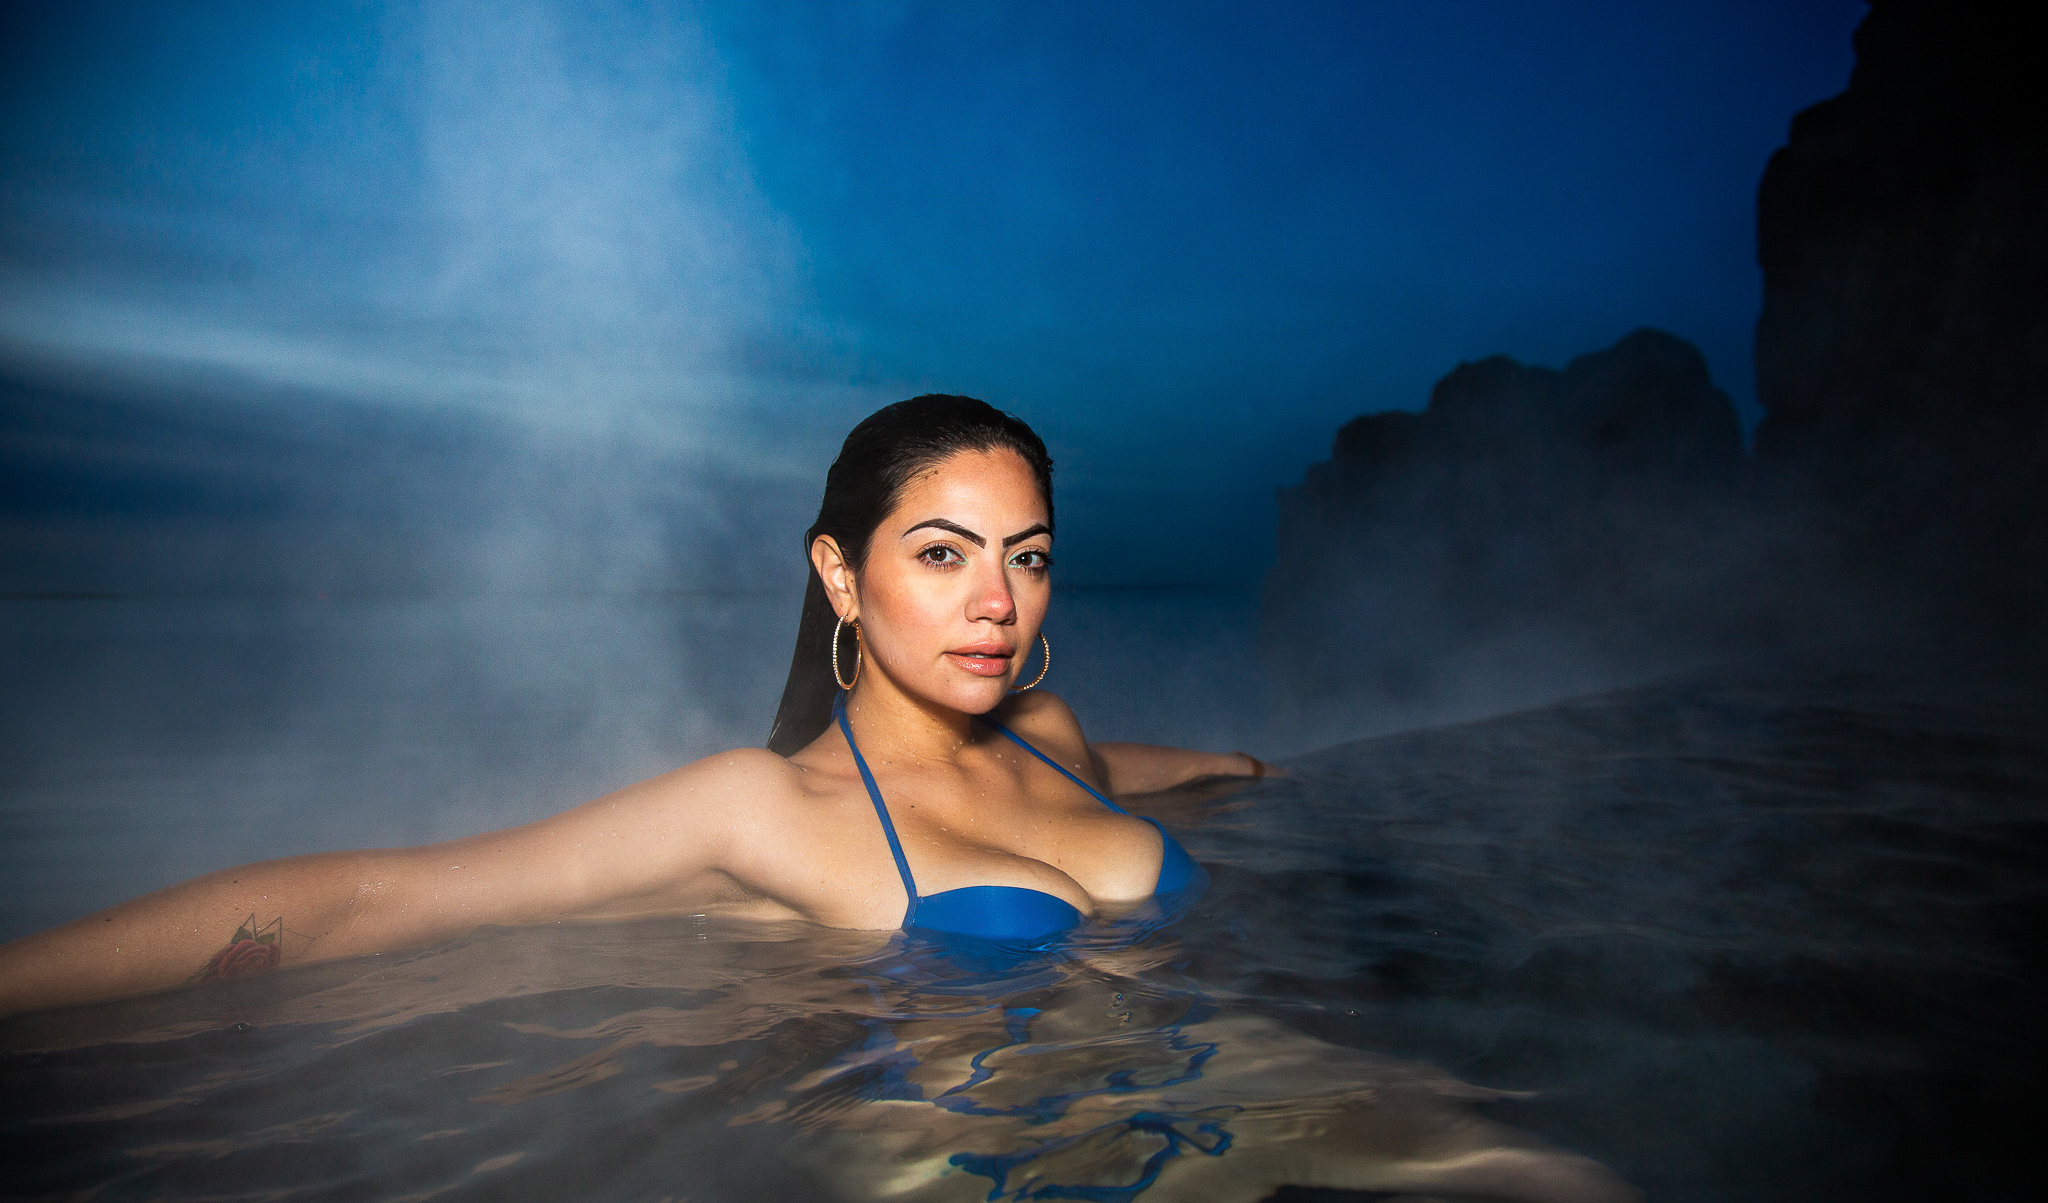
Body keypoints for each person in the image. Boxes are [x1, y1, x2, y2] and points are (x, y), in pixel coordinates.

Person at [0, 395, 1265, 1018]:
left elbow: (1118, 770)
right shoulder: (757, 809)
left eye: (1026, 556)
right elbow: (375, 900)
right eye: (943, 554)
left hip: (1235, 1090)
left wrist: (1235, 764)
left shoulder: (1048, 735)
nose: (997, 599)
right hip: (1002, 1200)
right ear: (840, 574)